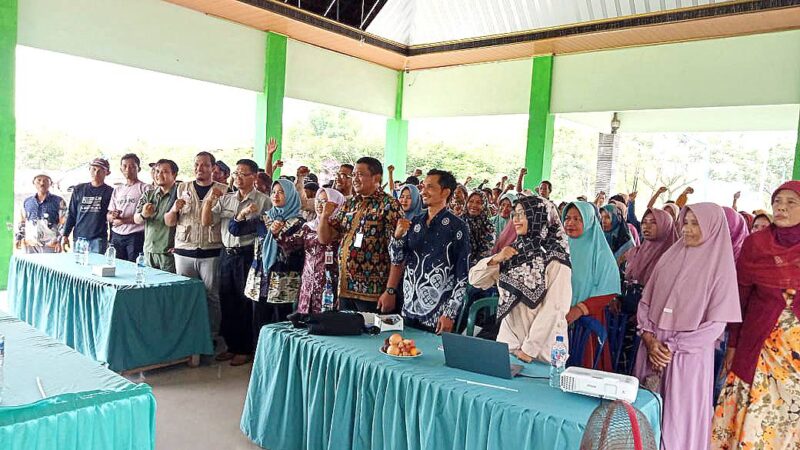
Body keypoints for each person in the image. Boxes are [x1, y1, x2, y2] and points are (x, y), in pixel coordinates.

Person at [634, 203, 741, 450]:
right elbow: (646, 302)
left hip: (686, 359)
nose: (688, 230)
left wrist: (671, 347)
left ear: (712, 228)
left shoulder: (720, 269)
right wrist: (650, 339)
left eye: (696, 224)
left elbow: (715, 325)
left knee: (678, 419)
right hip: (653, 350)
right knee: (646, 415)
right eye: (686, 222)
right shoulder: (669, 257)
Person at [711, 181, 800, 450]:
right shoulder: (755, 244)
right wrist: (733, 345)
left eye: (791, 202)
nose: (781, 207)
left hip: (795, 355)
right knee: (754, 420)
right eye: (777, 201)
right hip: (757, 347)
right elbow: (741, 300)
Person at [470, 196, 572, 363]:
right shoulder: (512, 253)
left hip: (541, 352)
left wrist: (528, 350)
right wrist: (495, 259)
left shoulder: (556, 258)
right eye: (514, 214)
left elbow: (555, 307)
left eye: (522, 214)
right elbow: (475, 280)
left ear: (538, 216)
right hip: (508, 345)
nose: (516, 219)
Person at [202, 158, 271, 366]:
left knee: (245, 302)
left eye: (243, 174)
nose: (238, 178)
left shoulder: (263, 201)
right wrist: (209, 201)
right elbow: (206, 222)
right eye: (236, 173)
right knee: (227, 299)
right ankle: (231, 346)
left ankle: (245, 348)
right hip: (227, 254)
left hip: (248, 254)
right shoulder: (226, 198)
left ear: (254, 176)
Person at [318, 157, 403, 313]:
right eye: (354, 175)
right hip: (344, 288)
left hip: (373, 292)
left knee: (370, 336)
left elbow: (399, 252)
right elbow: (325, 238)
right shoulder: (349, 204)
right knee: (346, 334)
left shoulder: (389, 205)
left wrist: (390, 291)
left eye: (360, 174)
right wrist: (324, 217)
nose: (355, 179)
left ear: (376, 178)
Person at [390, 169, 470, 334]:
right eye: (423, 187)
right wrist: (397, 237)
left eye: (430, 187)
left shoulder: (457, 227)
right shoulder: (415, 221)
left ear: (445, 192)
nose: (423, 191)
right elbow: (397, 259)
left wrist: (450, 313)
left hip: (438, 313)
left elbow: (463, 275)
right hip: (408, 307)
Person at [165, 152, 229, 349]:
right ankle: (187, 335)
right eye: (196, 165)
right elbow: (168, 221)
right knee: (185, 295)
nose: (199, 169)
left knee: (212, 296)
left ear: (212, 168)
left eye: (204, 165)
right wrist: (175, 209)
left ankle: (211, 336)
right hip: (184, 251)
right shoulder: (181, 188)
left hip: (211, 251)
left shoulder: (224, 190)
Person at [230, 179, 304, 341]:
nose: (276, 196)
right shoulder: (264, 219)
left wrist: (279, 236)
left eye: (281, 192)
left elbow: (297, 254)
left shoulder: (299, 223)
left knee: (281, 326)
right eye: (273, 192)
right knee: (259, 324)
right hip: (260, 280)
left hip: (283, 284)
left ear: (291, 195)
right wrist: (242, 214)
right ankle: (260, 359)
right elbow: (235, 230)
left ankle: (279, 362)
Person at [619, 207, 679, 374]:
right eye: (644, 222)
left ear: (666, 226)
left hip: (651, 325)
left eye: (653, 223)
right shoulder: (638, 251)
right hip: (628, 316)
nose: (646, 227)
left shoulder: (672, 257)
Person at [562, 201, 620, 371]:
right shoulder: (560, 246)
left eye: (577, 219)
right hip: (559, 317)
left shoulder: (600, 251)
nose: (570, 223)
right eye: (567, 218)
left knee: (581, 370)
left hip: (585, 319)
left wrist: (579, 310)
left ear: (588, 221)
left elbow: (608, 290)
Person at [276, 187, 345, 314]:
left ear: (336, 204)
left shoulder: (340, 226)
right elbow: (290, 245)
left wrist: (325, 217)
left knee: (326, 321)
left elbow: (325, 238)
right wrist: (277, 233)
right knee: (305, 321)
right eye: (318, 201)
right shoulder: (309, 226)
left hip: (330, 282)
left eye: (325, 201)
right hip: (308, 281)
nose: (320, 205)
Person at [134, 159, 178, 272]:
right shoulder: (149, 194)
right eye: (157, 171)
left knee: (169, 288)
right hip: (149, 251)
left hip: (169, 253)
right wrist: (144, 214)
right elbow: (136, 219)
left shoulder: (180, 195)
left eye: (164, 172)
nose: (159, 175)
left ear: (174, 174)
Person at [62, 158, 114, 253]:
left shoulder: (110, 192)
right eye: (93, 169)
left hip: (98, 239)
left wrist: (111, 240)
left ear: (107, 173)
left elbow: (111, 218)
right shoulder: (79, 189)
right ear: (89, 170)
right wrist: (65, 235)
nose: (96, 173)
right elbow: (72, 214)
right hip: (79, 238)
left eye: (100, 170)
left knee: (97, 266)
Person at [108, 154, 150, 262]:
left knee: (133, 266)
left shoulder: (146, 189)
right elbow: (108, 214)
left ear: (138, 169)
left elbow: (146, 215)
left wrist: (123, 221)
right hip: (116, 235)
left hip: (135, 236)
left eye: (132, 166)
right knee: (115, 265)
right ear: (121, 169)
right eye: (125, 166)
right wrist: (112, 216)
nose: (128, 169)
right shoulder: (117, 190)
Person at [15, 174, 66, 253]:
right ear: (33, 183)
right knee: (31, 265)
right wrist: (19, 237)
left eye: (46, 180)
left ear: (51, 183)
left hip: (51, 245)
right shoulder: (27, 202)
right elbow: (22, 222)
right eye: (39, 180)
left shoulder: (58, 201)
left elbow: (64, 223)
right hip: (30, 244)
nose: (42, 183)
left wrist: (60, 241)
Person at [464, 190, 496, 266]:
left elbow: (486, 251)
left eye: (478, 203)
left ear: (484, 206)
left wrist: (470, 267)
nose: (474, 205)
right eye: (471, 201)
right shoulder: (459, 221)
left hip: (476, 269)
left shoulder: (488, 226)